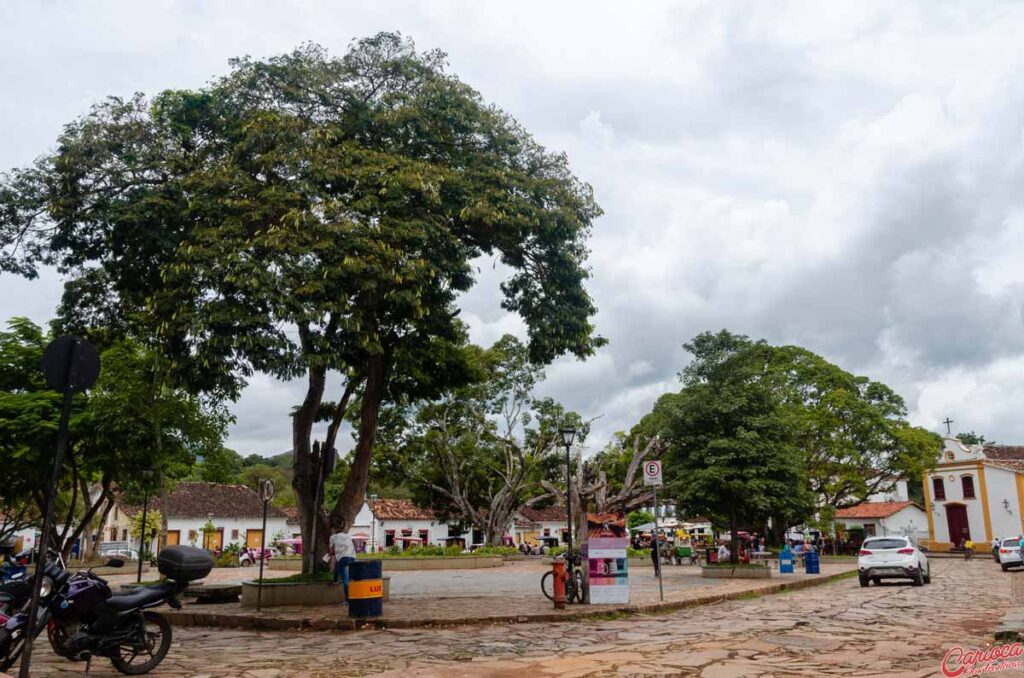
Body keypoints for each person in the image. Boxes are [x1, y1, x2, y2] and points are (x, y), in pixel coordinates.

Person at [329, 529, 357, 601]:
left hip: (343, 559)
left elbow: (331, 551)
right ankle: (336, 579)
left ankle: (347, 600)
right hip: (352, 557)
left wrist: (330, 554)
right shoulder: (348, 536)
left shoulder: (333, 537)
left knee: (345, 579)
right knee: (350, 577)